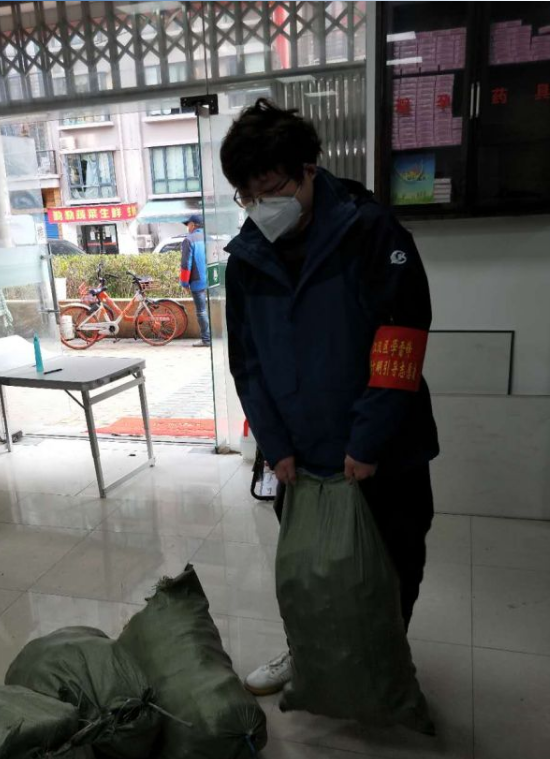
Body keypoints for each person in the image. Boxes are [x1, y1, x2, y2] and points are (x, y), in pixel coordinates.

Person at [221, 99, 439, 697]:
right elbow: (247, 363)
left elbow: (400, 342)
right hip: (300, 454)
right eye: (247, 195)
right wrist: (274, 445)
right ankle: (309, 656)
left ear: (308, 171)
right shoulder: (245, 260)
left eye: (272, 189)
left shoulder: (371, 232)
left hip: (385, 452)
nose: (261, 205)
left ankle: (382, 674)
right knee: (310, 571)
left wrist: (368, 441)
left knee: (389, 569)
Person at [180, 214, 211, 348]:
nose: (188, 227)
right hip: (212, 279)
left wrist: (184, 283)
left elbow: (186, 264)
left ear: (193, 225)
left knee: (201, 311)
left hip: (197, 281)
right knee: (211, 308)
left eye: (188, 224)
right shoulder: (209, 238)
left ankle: (206, 339)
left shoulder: (189, 240)